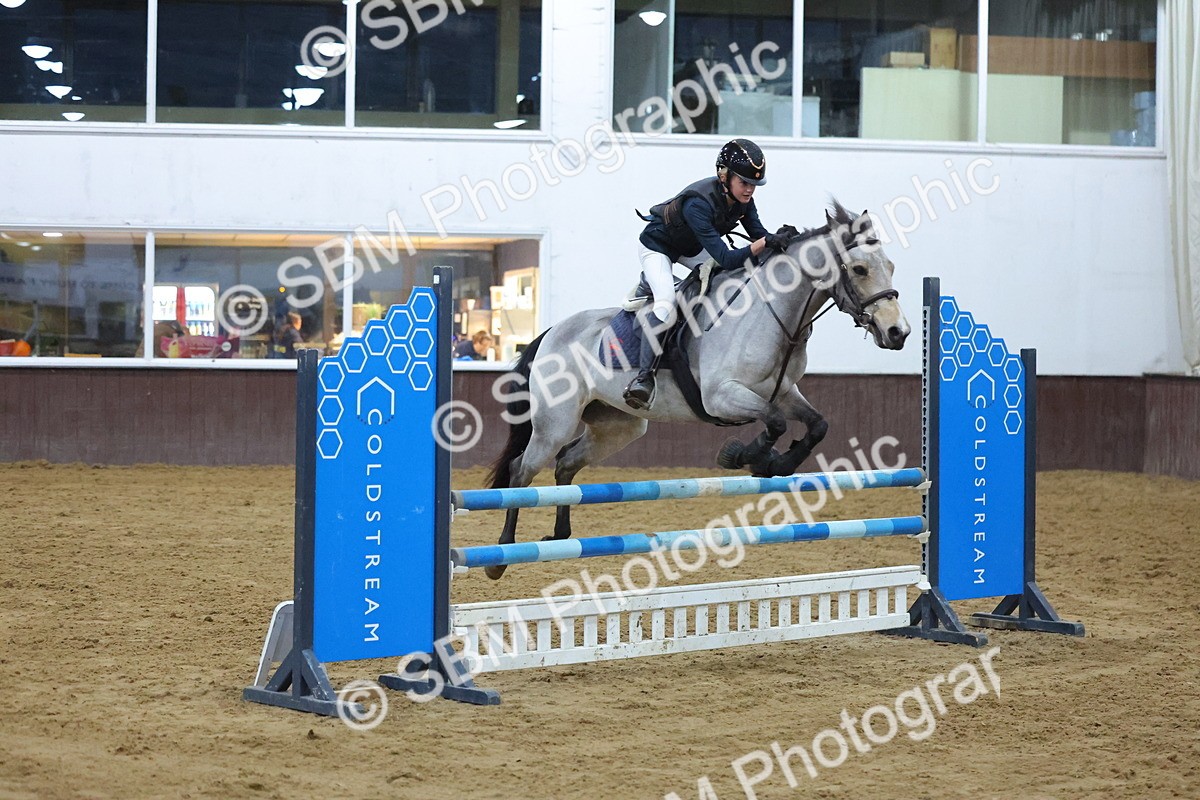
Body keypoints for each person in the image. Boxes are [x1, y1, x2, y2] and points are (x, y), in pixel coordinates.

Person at [623, 138, 792, 410]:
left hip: (691, 247)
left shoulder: (743, 201)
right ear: (724, 176)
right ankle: (644, 378)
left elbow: (759, 236)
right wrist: (764, 243)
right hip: (658, 248)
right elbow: (725, 257)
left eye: (753, 184)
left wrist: (783, 241)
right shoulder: (698, 204)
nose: (749, 189)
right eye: (744, 182)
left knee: (731, 277)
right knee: (666, 303)